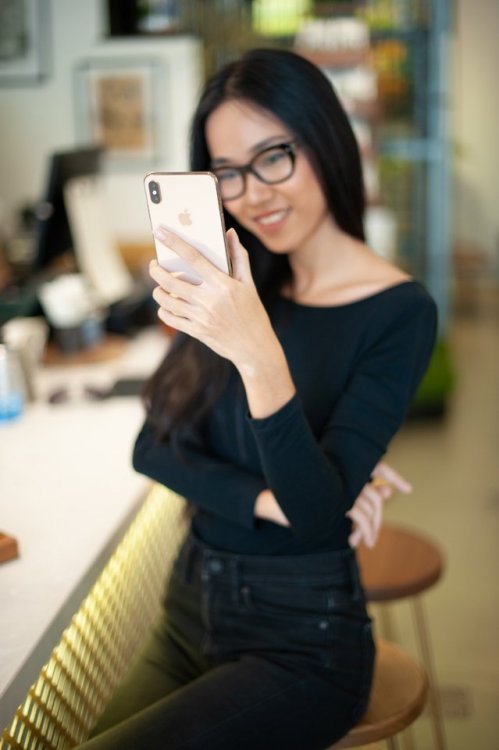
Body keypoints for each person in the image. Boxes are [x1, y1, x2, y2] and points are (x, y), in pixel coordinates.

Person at [79, 48, 437, 749]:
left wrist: (256, 351)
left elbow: (312, 520)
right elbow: (152, 449)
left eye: (274, 156)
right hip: (187, 607)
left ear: (326, 140)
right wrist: (272, 497)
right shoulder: (240, 277)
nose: (252, 194)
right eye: (227, 173)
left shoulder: (398, 313)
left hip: (299, 639)